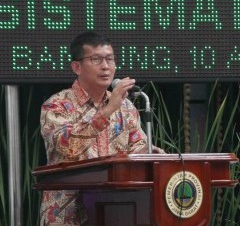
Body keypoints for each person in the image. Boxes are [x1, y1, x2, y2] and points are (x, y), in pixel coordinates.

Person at [39, 31, 164, 225]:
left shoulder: (127, 107)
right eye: (96, 59)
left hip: (117, 211)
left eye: (110, 59)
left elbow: (136, 149)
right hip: (68, 214)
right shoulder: (57, 104)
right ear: (77, 67)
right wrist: (108, 111)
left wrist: (150, 153)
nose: (106, 66)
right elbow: (67, 145)